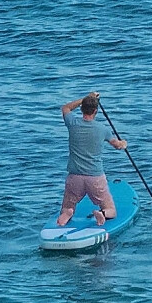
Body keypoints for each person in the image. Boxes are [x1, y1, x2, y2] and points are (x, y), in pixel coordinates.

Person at [57, 90, 127, 227]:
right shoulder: (103, 129)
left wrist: (86, 98)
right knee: (111, 210)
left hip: (74, 177)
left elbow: (65, 108)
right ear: (95, 111)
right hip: (95, 177)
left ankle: (67, 212)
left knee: (67, 206)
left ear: (82, 108)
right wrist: (124, 143)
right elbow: (117, 145)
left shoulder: (73, 123)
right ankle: (103, 214)